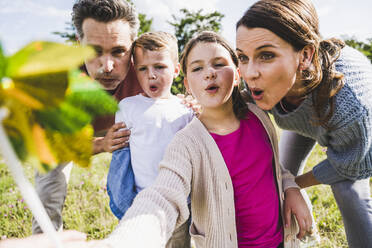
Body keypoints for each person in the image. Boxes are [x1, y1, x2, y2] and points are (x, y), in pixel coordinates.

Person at [77, 31, 312, 248]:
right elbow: (164, 195)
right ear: (187, 83)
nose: (209, 72)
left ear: (238, 74)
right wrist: (126, 239)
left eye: (219, 64)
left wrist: (291, 188)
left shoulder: (258, 115)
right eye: (197, 68)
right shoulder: (186, 140)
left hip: (283, 240)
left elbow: (272, 167)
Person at [235, 0, 372, 247]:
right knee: (283, 174)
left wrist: (293, 186)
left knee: (348, 190)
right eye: (242, 57)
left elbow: (349, 166)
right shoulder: (257, 76)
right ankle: (304, 234)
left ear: (305, 55)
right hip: (310, 113)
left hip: (351, 130)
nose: (250, 73)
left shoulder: (350, 101)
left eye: (266, 55)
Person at [32, 0, 142, 234]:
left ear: (134, 45)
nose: (108, 66)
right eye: (94, 52)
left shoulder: (149, 66)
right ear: (79, 43)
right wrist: (102, 144)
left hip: (126, 126)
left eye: (119, 51)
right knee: (48, 181)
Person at [106, 31, 194, 247]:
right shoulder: (128, 107)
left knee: (178, 243)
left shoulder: (185, 109)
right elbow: (121, 156)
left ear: (175, 69)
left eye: (159, 67)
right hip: (141, 200)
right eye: (143, 69)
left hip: (178, 200)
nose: (151, 75)